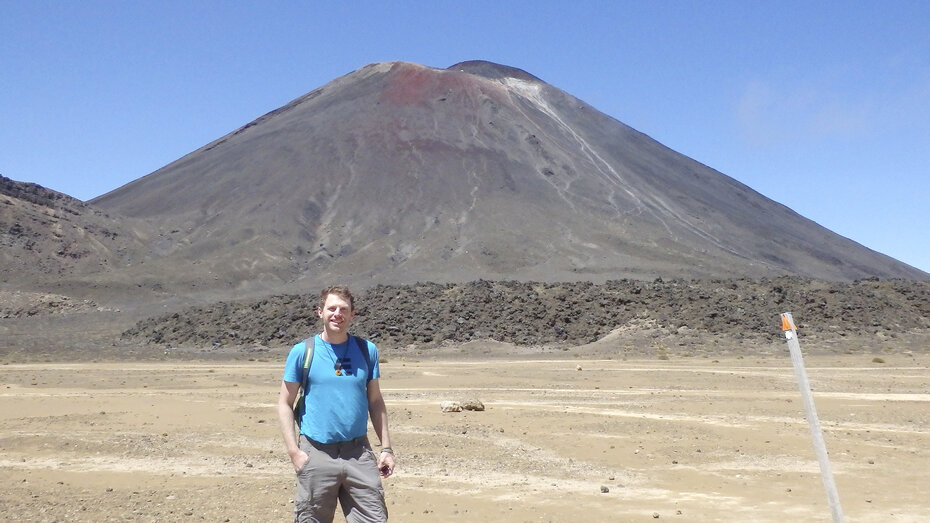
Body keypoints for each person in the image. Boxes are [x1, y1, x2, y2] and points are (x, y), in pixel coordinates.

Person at [277, 285, 394, 522]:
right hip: (316, 452)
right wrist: (294, 452)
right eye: (331, 308)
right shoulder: (303, 352)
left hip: (358, 452)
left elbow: (375, 400)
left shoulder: (366, 350)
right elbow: (284, 403)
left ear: (353, 315)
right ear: (320, 312)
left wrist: (386, 449)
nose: (337, 314)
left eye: (343, 309)